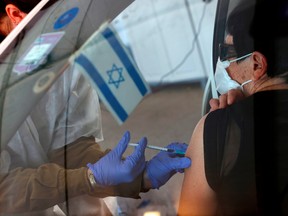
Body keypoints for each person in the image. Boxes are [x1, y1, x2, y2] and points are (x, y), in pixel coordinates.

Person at [0, 1, 192, 215]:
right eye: (59, 18)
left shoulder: (62, 58)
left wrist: (141, 177)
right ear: (16, 14)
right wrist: (89, 178)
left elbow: (70, 149)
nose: (69, 29)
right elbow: (4, 192)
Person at [178, 0, 288, 215]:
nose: (224, 66)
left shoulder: (219, 128)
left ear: (257, 64)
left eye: (227, 54)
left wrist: (223, 125)